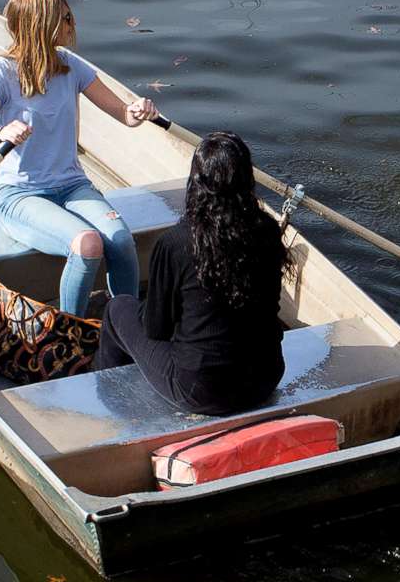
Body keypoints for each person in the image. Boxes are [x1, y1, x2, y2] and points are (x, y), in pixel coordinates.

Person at [0, 0, 156, 315]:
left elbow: (123, 114)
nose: (72, 24)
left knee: (120, 239)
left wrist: (138, 111)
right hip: (20, 195)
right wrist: (1, 133)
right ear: (44, 23)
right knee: (88, 244)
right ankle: (69, 334)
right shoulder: (1, 72)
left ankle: (128, 325)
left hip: (72, 186)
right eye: (66, 17)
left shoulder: (71, 65)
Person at [92, 130, 290, 415]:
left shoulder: (176, 242)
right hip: (264, 379)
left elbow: (155, 328)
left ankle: (106, 398)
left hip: (201, 391)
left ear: (196, 182)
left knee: (117, 309)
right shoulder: (268, 229)